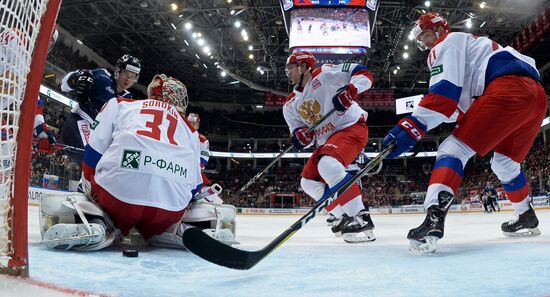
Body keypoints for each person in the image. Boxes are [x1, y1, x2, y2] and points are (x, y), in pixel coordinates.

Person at [381, 12, 547, 253]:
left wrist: (411, 126)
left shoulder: (446, 43)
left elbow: (443, 97)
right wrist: (423, 122)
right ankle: (526, 216)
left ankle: (433, 219)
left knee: (453, 149)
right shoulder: (470, 47)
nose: (426, 43)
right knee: (504, 164)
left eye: (426, 35)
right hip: (536, 98)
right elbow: (457, 109)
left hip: (506, 90)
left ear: (438, 30)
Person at [39, 74, 236, 251]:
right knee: (180, 207)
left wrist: (89, 185)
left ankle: (100, 220)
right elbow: (194, 185)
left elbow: (93, 153)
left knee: (97, 188)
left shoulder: (120, 104)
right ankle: (176, 229)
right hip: (168, 211)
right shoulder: (192, 132)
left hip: (118, 200)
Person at [283, 51, 375, 243]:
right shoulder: (290, 104)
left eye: (291, 68)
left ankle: (360, 216)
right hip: (326, 141)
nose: (288, 73)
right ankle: (342, 215)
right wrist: (299, 138)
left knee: (328, 165)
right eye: (287, 70)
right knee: (308, 182)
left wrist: (351, 90)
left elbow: (362, 72)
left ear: (304, 67)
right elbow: (299, 133)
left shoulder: (325, 74)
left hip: (350, 127)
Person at [60, 54, 141, 163]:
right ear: (118, 71)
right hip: (79, 122)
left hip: (97, 135)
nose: (128, 79)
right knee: (92, 159)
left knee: (105, 165)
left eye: (132, 76)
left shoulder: (129, 99)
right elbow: (64, 85)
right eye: (125, 73)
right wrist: (74, 80)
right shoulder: (102, 76)